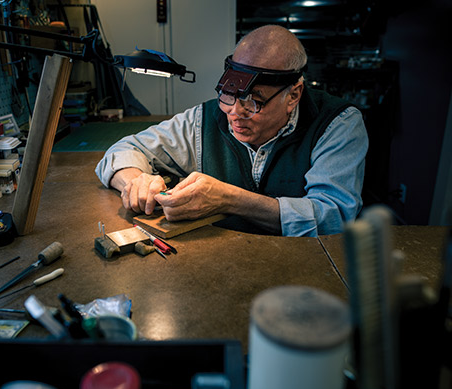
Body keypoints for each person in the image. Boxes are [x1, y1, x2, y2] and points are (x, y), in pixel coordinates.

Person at [95, 25, 368, 237]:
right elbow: (124, 150)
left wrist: (230, 199)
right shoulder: (206, 118)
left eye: (254, 101)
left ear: (294, 95)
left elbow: (333, 216)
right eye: (229, 95)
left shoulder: (337, 123)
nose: (234, 113)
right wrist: (136, 181)